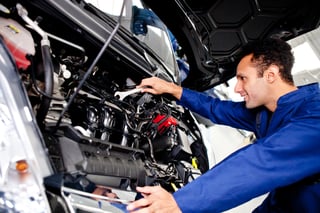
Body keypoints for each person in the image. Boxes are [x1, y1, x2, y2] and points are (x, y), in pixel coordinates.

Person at [126, 38, 320, 212]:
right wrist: (173, 90)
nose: (237, 88)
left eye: (243, 78)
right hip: (280, 203)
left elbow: (263, 160)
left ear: (270, 75)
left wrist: (181, 202)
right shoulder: (268, 110)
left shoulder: (315, 116)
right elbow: (216, 108)